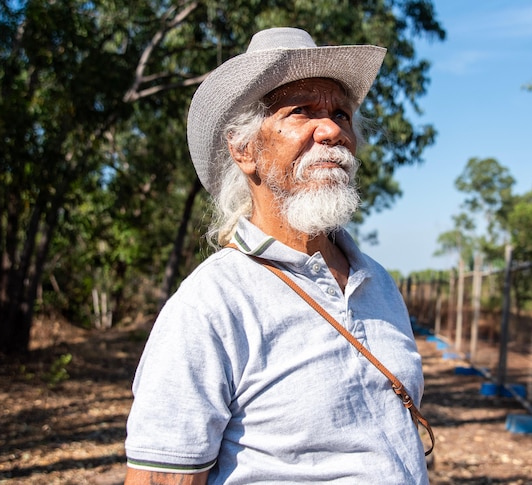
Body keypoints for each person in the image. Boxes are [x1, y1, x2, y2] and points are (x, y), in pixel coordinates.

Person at [124, 27, 431, 484]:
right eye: (301, 111)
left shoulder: (378, 282)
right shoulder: (211, 304)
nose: (331, 130)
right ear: (244, 149)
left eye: (341, 114)